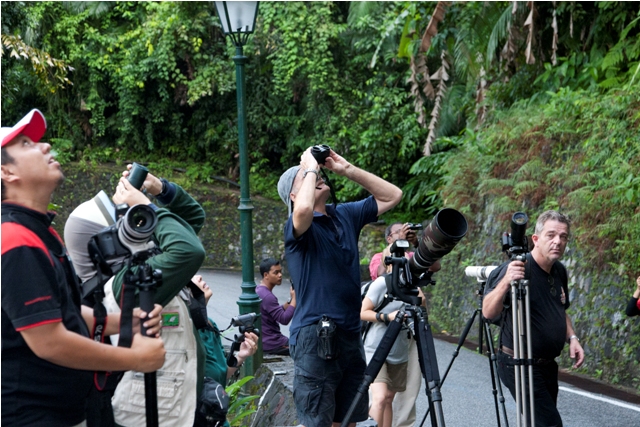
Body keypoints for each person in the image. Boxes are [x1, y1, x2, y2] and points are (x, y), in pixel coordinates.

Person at [1, 109, 166, 426]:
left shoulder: (37, 231)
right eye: (26, 144)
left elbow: (62, 312)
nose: (45, 146)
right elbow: (49, 340)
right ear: (6, 172)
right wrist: (135, 358)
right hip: (30, 415)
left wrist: (124, 322)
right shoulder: (14, 239)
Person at [64, 164, 212, 427]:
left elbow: (191, 222)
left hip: (172, 405)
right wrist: (146, 205)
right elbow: (189, 249)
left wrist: (160, 189)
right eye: (133, 221)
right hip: (154, 414)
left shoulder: (134, 270)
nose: (141, 224)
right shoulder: (123, 284)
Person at [277, 146, 402, 427]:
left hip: (350, 334)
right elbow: (304, 209)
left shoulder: (344, 214)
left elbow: (392, 195)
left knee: (347, 421)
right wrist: (309, 165)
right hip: (314, 338)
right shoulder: (297, 228)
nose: (315, 174)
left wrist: (347, 170)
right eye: (305, 177)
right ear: (294, 197)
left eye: (314, 171)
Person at [482, 210, 585, 426]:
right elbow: (488, 312)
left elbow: (560, 309)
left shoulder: (559, 271)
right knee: (550, 424)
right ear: (535, 239)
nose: (558, 241)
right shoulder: (519, 268)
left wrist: (572, 337)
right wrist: (506, 281)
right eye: (551, 235)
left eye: (563, 236)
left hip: (547, 366)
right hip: (518, 363)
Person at [361, 268, 428, 427]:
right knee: (380, 397)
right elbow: (362, 312)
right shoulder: (381, 284)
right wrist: (386, 317)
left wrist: (420, 297)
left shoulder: (412, 287)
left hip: (399, 352)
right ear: (390, 265)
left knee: (389, 399)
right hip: (375, 349)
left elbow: (423, 313)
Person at [190, 274, 259, 427]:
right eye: (191, 277)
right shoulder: (186, 330)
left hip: (216, 417)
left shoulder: (210, 324)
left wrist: (241, 356)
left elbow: (219, 375)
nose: (199, 276)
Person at [255, 258, 295, 356]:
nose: (280, 275)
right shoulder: (267, 296)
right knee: (303, 349)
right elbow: (284, 319)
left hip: (266, 341)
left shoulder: (260, 290)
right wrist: (295, 299)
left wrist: (290, 300)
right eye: (276, 273)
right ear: (266, 275)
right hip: (272, 343)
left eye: (280, 272)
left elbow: (275, 311)